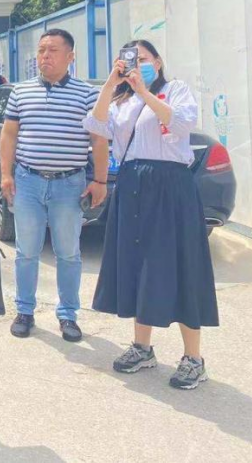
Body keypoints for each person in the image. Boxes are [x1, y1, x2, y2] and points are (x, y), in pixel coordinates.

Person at [84, 39, 218, 389]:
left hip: (170, 186)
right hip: (132, 185)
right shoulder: (122, 99)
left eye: (142, 58)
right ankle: (142, 347)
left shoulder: (175, 90)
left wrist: (144, 91)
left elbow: (180, 123)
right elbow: (96, 125)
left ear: (158, 62)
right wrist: (111, 84)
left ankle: (193, 358)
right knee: (137, 264)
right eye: (130, 59)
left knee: (180, 265)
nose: (136, 64)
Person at [0, 29, 108, 343]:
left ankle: (68, 314)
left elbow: (99, 139)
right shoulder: (20, 92)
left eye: (53, 50)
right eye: (41, 50)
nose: (45, 56)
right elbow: (9, 134)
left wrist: (99, 180)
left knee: (68, 252)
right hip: (28, 182)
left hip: (69, 184)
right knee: (26, 251)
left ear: (70, 56)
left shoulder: (87, 95)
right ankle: (24, 311)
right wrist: (6, 174)